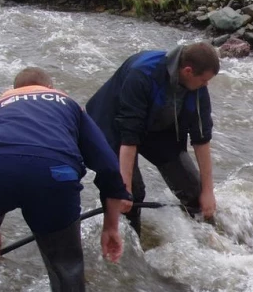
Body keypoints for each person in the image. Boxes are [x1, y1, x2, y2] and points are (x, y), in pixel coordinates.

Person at [0, 67, 131, 292]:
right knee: (65, 264)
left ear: (14, 90)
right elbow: (107, 164)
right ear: (50, 88)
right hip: (54, 177)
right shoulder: (68, 103)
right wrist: (111, 226)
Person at [86, 42, 219, 234]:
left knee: (195, 192)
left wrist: (208, 192)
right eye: (204, 80)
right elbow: (129, 135)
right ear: (188, 71)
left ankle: (212, 242)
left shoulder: (197, 87)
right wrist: (124, 188)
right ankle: (129, 244)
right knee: (132, 195)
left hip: (158, 127)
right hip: (113, 126)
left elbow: (202, 138)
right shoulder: (142, 74)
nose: (206, 85)